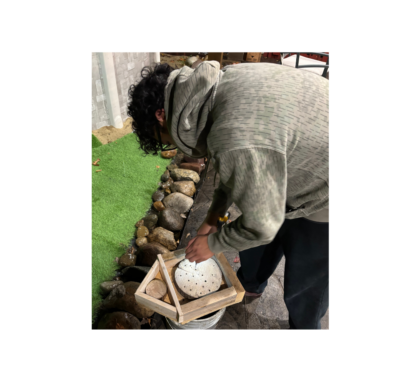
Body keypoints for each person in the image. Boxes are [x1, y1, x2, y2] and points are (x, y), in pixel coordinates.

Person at [127, 60, 330, 330]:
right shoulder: (218, 86)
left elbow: (262, 225)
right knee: (259, 227)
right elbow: (237, 171)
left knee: (307, 284)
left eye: (164, 140)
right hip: (294, 161)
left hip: (323, 189)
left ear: (161, 116)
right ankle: (251, 285)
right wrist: (214, 217)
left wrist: (214, 244)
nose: (173, 147)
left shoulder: (233, 135)